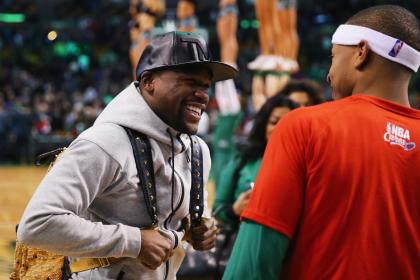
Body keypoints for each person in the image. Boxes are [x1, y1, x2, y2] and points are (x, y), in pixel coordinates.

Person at [17, 31, 238, 280]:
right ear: (148, 82)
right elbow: (36, 224)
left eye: (205, 86)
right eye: (189, 81)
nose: (202, 95)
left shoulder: (198, 150)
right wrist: (135, 242)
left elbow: (188, 217)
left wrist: (202, 226)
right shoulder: (105, 143)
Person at [224, 5, 420, 280]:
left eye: (334, 57)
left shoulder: (304, 126)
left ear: (361, 53)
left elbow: (256, 257)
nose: (328, 74)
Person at [213, 95, 297, 227]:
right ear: (263, 125)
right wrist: (234, 210)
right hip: (241, 239)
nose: (280, 128)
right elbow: (217, 210)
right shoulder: (243, 162)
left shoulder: (305, 166)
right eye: (274, 122)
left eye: (287, 123)